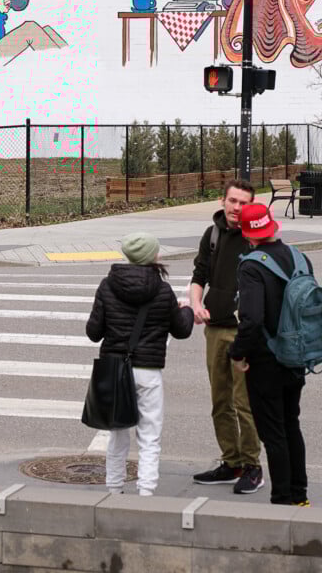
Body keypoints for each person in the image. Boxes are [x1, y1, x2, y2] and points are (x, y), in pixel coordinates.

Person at [86, 232, 193, 496]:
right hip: (148, 371)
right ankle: (145, 494)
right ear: (152, 256)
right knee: (149, 437)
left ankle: (113, 491)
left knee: (118, 435)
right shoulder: (163, 290)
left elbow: (93, 332)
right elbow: (181, 331)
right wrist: (186, 309)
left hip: (115, 372)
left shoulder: (107, 285)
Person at [229, 202, 311, 506]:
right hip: (297, 355)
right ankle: (299, 496)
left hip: (266, 362)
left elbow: (250, 320)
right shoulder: (299, 257)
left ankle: (282, 500)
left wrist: (237, 354)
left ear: (247, 234)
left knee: (273, 433)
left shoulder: (252, 266)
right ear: (272, 225)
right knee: (292, 424)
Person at [190, 179, 264, 494]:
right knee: (220, 401)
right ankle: (231, 462)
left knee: (243, 402)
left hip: (244, 332)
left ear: (251, 205)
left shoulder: (256, 238)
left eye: (243, 202)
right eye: (232, 201)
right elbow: (199, 275)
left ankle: (252, 466)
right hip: (214, 329)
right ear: (223, 200)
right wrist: (195, 303)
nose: (236, 208)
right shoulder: (213, 234)